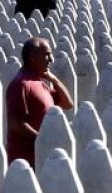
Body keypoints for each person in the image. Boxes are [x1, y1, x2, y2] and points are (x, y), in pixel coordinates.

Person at [5, 37, 75, 168]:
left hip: (42, 159)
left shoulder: (39, 82)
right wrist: (43, 141)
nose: (51, 59)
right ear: (32, 57)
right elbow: (16, 123)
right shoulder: (21, 84)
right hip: (26, 165)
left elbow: (68, 104)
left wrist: (54, 80)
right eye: (47, 54)